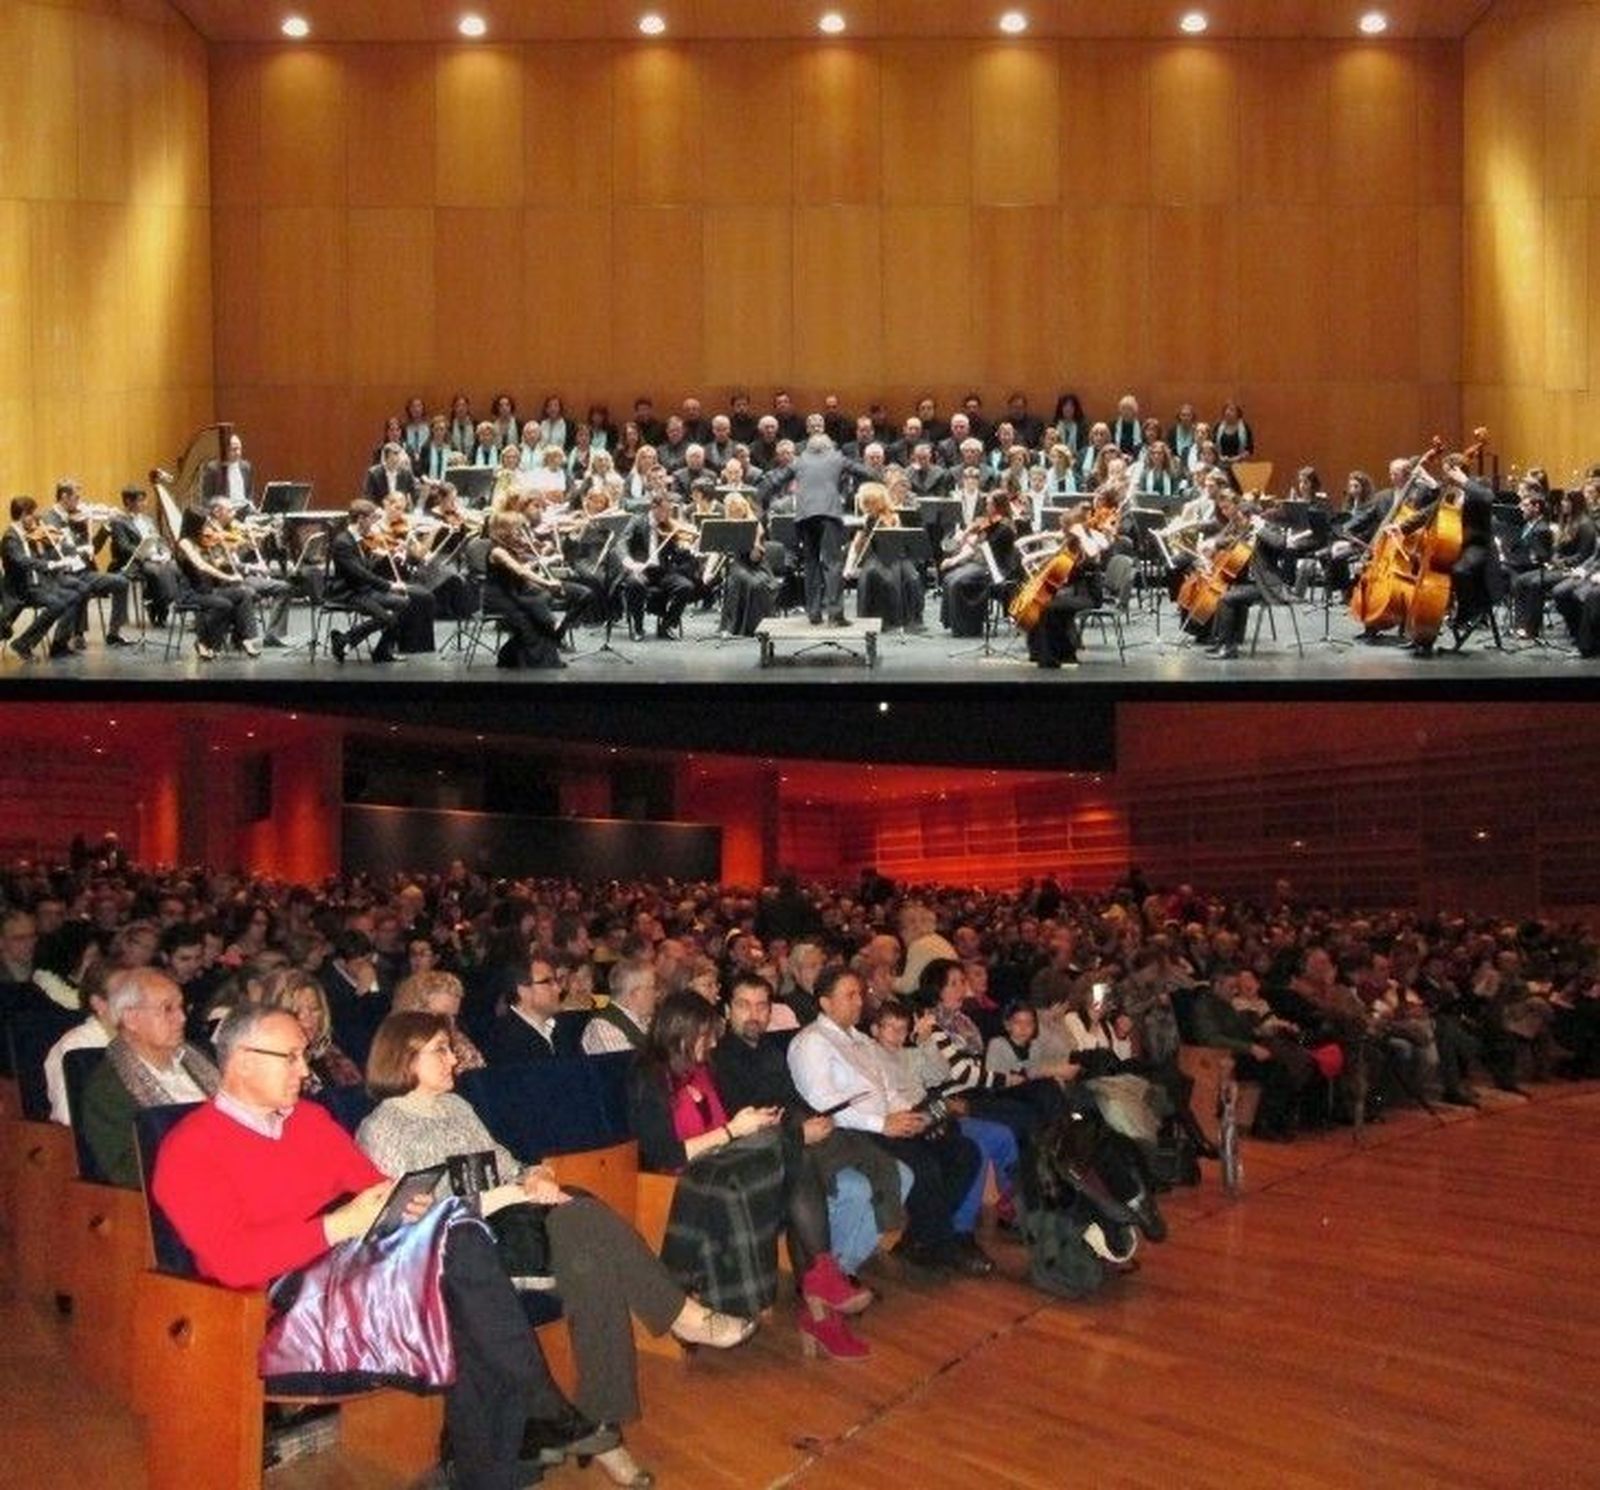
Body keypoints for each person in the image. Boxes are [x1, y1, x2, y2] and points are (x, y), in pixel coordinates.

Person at [153, 1004, 618, 1489]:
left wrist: (403, 1205)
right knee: (461, 1275)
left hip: (354, 1269)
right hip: (280, 1304)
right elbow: (232, 1262)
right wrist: (339, 1225)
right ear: (243, 1060)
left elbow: (374, 1186)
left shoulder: (307, 1121)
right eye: (290, 1057)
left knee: (458, 1249)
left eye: (303, 1056)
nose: (305, 1070)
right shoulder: (190, 1148)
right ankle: (530, 1422)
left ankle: (493, 1460)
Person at [358, 1012, 752, 1488]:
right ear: (405, 1057)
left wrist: (535, 1176)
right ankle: (678, 1319)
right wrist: (514, 1194)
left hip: (508, 1231)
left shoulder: (457, 1108)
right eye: (440, 1049)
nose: (454, 1056)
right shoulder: (383, 1128)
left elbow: (506, 1164)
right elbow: (420, 1219)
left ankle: (605, 1430)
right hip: (458, 1261)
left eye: (450, 1046)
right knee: (584, 1219)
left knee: (590, 1255)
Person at [629, 992, 870, 1357]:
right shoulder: (648, 1078)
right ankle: (821, 1297)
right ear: (680, 1033)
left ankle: (822, 1286)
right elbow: (667, 1154)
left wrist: (753, 1124)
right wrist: (735, 1131)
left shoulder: (702, 1069)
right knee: (793, 1157)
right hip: (687, 1175)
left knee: (792, 1155)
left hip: (728, 1162)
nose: (711, 1043)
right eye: (704, 1035)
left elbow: (729, 1128)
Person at [787, 966, 990, 1276]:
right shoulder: (812, 1042)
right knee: (924, 1167)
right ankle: (940, 1245)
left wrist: (910, 1114)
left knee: (964, 1153)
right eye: (850, 995)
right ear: (826, 1003)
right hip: (851, 1132)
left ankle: (921, 1238)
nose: (859, 1002)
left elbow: (886, 1089)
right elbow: (823, 1105)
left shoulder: (861, 1040)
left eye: (860, 994)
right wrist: (882, 1124)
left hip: (887, 1121)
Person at [711, 972, 909, 1286]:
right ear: (726, 1011)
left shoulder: (768, 1051)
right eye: (744, 1006)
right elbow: (743, 1121)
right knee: (833, 1181)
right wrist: (801, 1133)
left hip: (794, 1136)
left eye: (762, 1006)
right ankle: (822, 1281)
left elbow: (793, 1099)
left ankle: (833, 1274)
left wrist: (813, 1120)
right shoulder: (721, 1058)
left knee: (887, 1169)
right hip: (758, 1150)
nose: (754, 1014)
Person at [80, 967, 221, 1187]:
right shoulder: (108, 1089)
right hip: (183, 1191)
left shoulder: (200, 1059)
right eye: (168, 1009)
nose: (182, 1017)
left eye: (181, 1007)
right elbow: (127, 1171)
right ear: (131, 1019)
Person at [259, 968, 362, 1093]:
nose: (308, 1021)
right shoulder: (270, 1069)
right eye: (295, 1013)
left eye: (314, 1009)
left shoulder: (334, 1052)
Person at [484, 952, 565, 1064]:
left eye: (556, 981)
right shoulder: (505, 1042)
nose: (558, 989)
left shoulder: (562, 1029)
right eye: (548, 982)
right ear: (523, 991)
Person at [581, 957, 658, 1055]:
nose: (656, 994)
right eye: (653, 988)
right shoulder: (604, 1026)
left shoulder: (648, 1020)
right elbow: (625, 1067)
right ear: (635, 994)